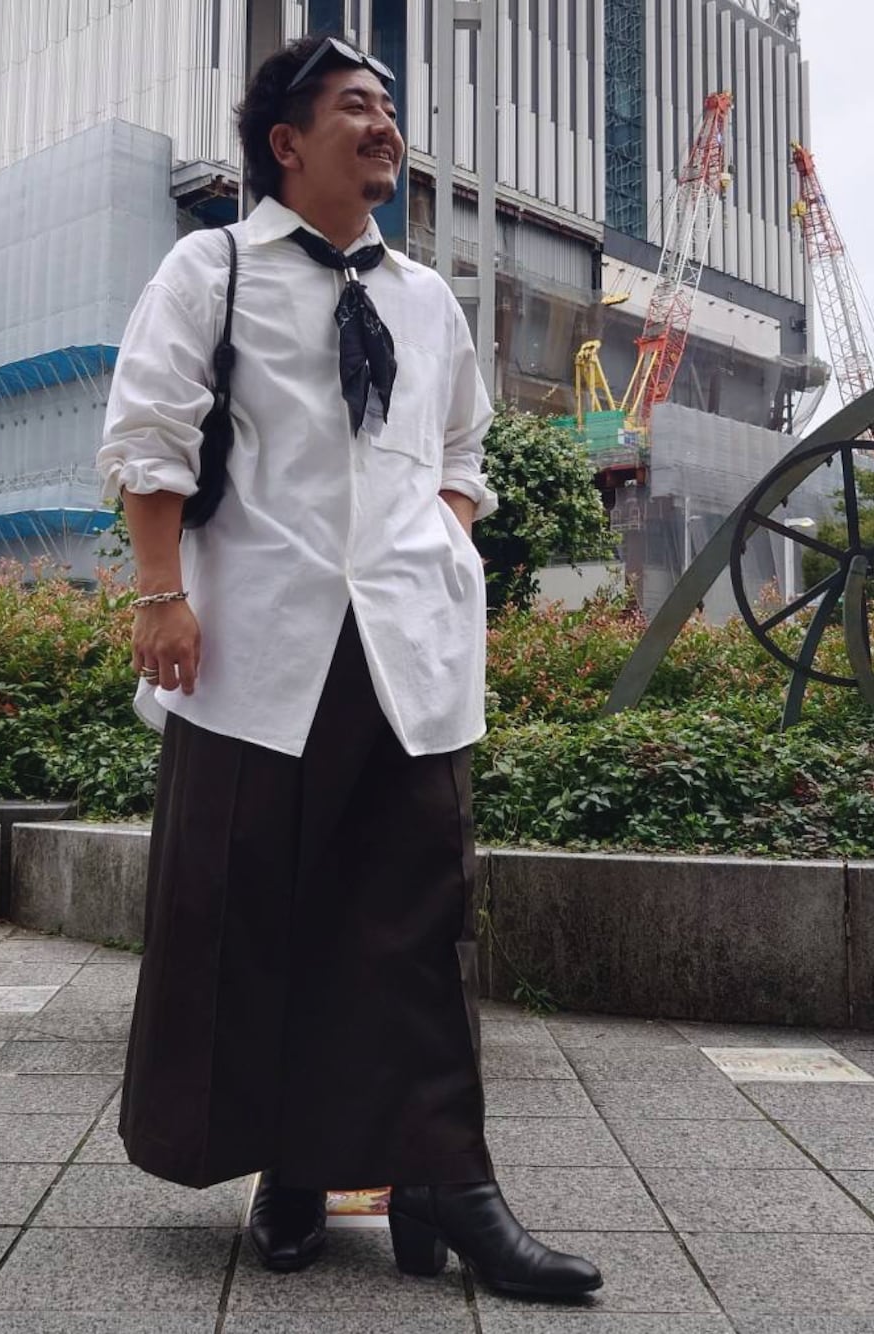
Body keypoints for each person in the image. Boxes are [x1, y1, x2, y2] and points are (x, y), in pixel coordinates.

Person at [97, 33, 601, 1301]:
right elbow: (150, 433)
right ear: (286, 142)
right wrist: (159, 595)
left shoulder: (424, 298)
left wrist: (439, 555)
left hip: (405, 655)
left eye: (387, 105)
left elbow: (463, 450)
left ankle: (447, 1181)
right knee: (253, 911)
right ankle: (292, 1166)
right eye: (354, 106)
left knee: (413, 922)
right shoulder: (211, 267)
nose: (384, 124)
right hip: (256, 650)